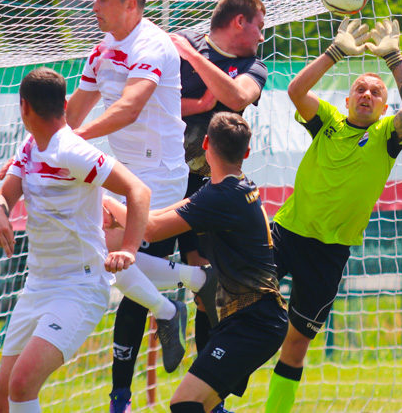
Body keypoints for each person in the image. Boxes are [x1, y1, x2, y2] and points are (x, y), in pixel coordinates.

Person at [63, 0, 209, 412]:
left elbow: (128, 109)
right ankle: (191, 283)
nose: (94, 7)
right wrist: (41, 147)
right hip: (124, 170)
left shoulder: (154, 44)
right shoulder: (100, 51)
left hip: (162, 174)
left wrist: (73, 142)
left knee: (100, 248)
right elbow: (74, 110)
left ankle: (173, 304)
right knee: (96, 249)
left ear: (132, 4)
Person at [264, 18, 402, 413]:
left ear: (384, 106)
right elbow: (295, 89)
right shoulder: (328, 124)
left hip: (329, 253)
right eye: (360, 89)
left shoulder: (388, 134)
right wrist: (334, 53)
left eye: (376, 91)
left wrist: (393, 58)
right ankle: (212, 394)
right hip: (286, 233)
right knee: (243, 308)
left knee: (297, 343)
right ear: (348, 100)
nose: (367, 93)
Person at [0, 67, 159, 413]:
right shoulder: (30, 147)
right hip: (37, 285)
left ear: (24, 107)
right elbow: (4, 196)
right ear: (64, 103)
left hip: (78, 287)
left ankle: (168, 307)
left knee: (22, 385)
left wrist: (128, 249)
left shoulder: (72, 152)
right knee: (4, 395)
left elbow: (138, 190)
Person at [103, 112, 288, 413]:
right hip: (256, 320)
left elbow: (149, 229)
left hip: (254, 323)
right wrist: (123, 215)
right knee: (205, 407)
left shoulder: (219, 197)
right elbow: (155, 218)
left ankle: (178, 297)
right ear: (247, 153)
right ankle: (192, 282)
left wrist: (107, 202)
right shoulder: (230, 188)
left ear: (204, 144)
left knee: (185, 403)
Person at [164, 0, 267, 412]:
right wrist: (199, 100)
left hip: (211, 186)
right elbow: (152, 98)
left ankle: (214, 396)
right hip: (164, 175)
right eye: (260, 24)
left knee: (213, 294)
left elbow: (238, 97)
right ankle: (121, 395)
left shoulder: (252, 67)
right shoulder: (176, 43)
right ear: (239, 21)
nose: (263, 35)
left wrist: (195, 59)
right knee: (134, 264)